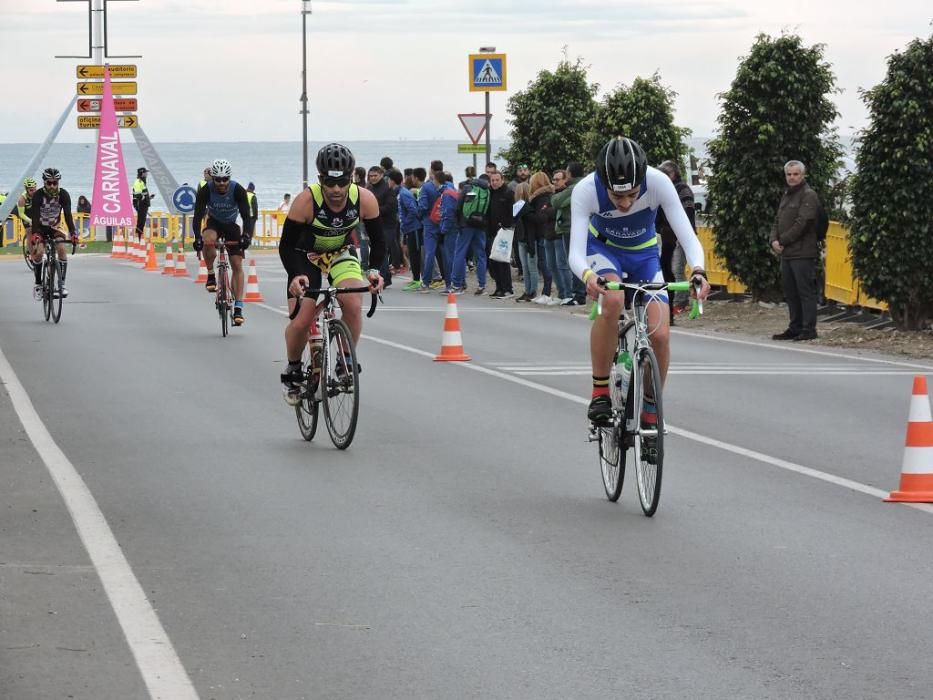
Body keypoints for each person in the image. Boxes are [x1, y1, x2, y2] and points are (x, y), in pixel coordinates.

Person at [568, 137, 710, 425]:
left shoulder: (658, 182)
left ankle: (650, 406)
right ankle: (599, 393)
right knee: (613, 300)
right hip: (603, 251)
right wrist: (588, 276)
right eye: (616, 196)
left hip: (644, 254)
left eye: (632, 194)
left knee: (660, 333)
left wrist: (698, 271)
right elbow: (574, 252)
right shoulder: (585, 190)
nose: (625, 203)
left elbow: (688, 237)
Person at [278, 143, 385, 404]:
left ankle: (345, 360)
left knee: (352, 301)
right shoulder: (306, 201)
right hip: (306, 257)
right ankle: (293, 369)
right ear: (320, 179)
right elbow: (286, 245)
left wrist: (374, 271)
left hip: (340, 253)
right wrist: (295, 275)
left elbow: (380, 242)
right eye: (329, 183)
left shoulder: (364, 199)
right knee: (302, 321)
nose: (336, 190)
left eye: (343, 182)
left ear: (352, 178)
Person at [191, 159, 254, 326]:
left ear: (229, 178)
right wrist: (197, 237)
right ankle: (211, 274)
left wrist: (247, 235)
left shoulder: (237, 190)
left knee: (236, 264)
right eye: (217, 179)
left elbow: (247, 217)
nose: (221, 183)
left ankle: (238, 307)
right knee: (208, 240)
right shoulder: (206, 190)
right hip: (214, 222)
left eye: (224, 179)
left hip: (231, 225)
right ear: (213, 178)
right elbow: (197, 216)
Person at [770, 160, 821, 342]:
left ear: (803, 175)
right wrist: (773, 240)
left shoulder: (809, 195)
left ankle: (808, 329)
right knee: (790, 292)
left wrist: (782, 241)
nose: (792, 177)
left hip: (803, 252)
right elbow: (777, 220)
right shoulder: (787, 195)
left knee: (805, 292)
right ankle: (795, 326)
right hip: (787, 253)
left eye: (795, 174)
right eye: (789, 174)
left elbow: (803, 223)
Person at [27, 168, 79, 298]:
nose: (52, 186)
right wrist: (35, 234)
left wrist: (73, 232)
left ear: (58, 183)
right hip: (40, 226)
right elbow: (34, 217)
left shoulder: (64, 195)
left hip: (56, 226)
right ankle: (38, 283)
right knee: (38, 252)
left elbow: (67, 216)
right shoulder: (38, 195)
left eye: (55, 183)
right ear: (44, 182)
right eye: (49, 183)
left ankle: (61, 284)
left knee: (61, 248)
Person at [656, 160, 697, 319]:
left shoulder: (682, 189)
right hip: (667, 238)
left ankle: (681, 302)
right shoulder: (664, 190)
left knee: (676, 269)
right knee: (667, 271)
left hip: (680, 237)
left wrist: (684, 234)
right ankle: (670, 304)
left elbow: (688, 213)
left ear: (673, 173)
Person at [552, 161, 586, 305]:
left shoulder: (573, 188)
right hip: (581, 227)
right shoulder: (585, 185)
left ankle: (578, 295)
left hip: (571, 228)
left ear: (570, 173)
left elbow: (556, 202)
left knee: (574, 262)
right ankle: (578, 293)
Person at [452, 167, 489, 295]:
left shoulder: (468, 188)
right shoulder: (486, 190)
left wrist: (458, 223)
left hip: (466, 224)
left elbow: (459, 206)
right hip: (480, 225)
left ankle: (457, 284)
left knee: (460, 253)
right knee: (481, 255)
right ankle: (482, 285)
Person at [485, 170, 515, 299]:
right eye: (492, 180)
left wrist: (506, 225)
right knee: (493, 261)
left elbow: (512, 212)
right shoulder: (490, 193)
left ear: (502, 180)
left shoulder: (508, 193)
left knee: (502, 261)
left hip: (504, 232)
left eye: (497, 180)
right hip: (491, 232)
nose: (495, 182)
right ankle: (498, 287)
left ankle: (507, 289)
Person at [392, 168, 422, 290]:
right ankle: (415, 278)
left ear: (392, 181)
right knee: (411, 253)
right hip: (408, 228)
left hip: (413, 228)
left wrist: (405, 222)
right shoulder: (401, 192)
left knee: (415, 253)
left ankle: (417, 280)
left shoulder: (404, 193)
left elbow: (413, 210)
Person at [132, 167, 153, 241]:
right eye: (145, 173)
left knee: (142, 222)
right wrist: (144, 199)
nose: (147, 174)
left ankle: (139, 239)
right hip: (140, 204)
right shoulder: (138, 182)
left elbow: (142, 194)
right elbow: (138, 195)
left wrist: (149, 198)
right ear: (142, 173)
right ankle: (138, 239)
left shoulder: (142, 182)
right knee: (140, 222)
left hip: (142, 204)